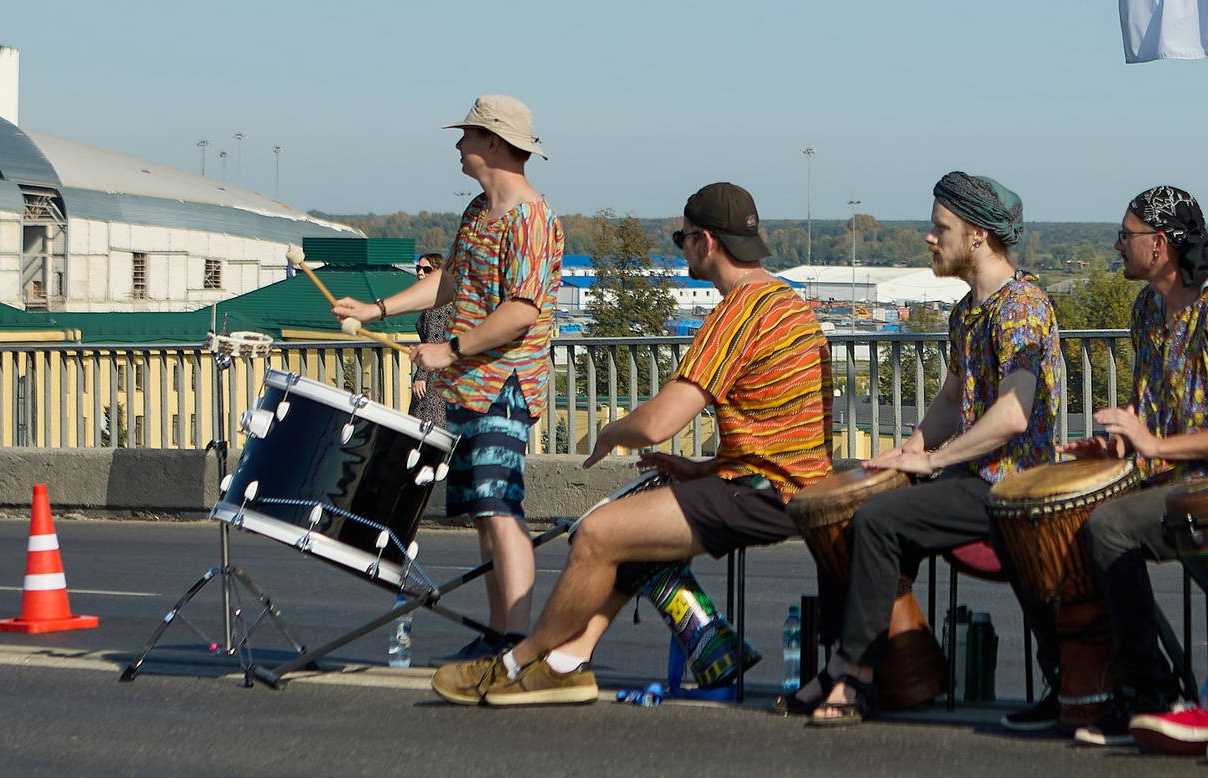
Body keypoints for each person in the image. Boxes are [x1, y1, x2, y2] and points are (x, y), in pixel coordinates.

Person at [432, 182, 833, 706]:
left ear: (706, 242)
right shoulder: (788, 304)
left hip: (767, 493)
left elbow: (657, 422)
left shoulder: (740, 310)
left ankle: (517, 661)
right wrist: (702, 468)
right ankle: (568, 662)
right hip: (783, 482)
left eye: (681, 238)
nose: (681, 247)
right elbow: (784, 430)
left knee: (597, 531)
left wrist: (609, 432)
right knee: (629, 523)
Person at [802, 172, 1062, 729]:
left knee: (877, 521)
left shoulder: (1023, 308)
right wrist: (911, 448)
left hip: (1010, 482)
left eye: (940, 227)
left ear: (977, 237)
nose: (929, 237)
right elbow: (952, 396)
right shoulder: (967, 311)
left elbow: (1014, 413)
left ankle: (857, 679)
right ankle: (857, 664)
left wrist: (934, 461)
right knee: (848, 512)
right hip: (973, 476)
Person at [333, 96, 561, 656]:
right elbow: (450, 283)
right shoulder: (477, 213)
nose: (458, 145)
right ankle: (498, 634)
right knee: (484, 516)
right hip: (466, 386)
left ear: (494, 143)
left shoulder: (531, 219)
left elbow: (522, 310)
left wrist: (449, 347)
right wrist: (374, 310)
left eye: (467, 136)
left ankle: (516, 641)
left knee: (500, 508)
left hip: (505, 386)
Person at [1065, 185, 1208, 750]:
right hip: (1172, 482)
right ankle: (1103, 687)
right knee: (1077, 517)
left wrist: (1155, 448)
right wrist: (1121, 443)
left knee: (1107, 527)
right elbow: (1154, 408)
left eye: (1126, 235)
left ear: (1159, 245)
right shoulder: (1146, 309)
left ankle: (1149, 695)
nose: (1117, 244)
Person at [407, 252, 452, 429]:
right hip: (441, 374)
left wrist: (421, 376)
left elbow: (433, 341)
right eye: (418, 268)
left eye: (427, 269)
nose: (420, 273)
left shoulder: (438, 305)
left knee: (427, 428)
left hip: (435, 377)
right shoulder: (441, 300)